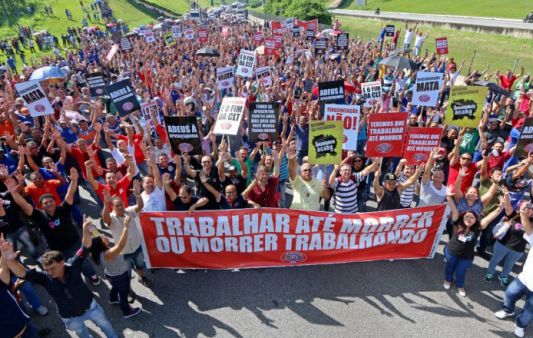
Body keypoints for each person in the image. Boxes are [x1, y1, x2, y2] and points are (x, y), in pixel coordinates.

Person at [0, 219, 118, 338]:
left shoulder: (73, 265)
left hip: (91, 308)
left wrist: (85, 230)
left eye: (52, 268)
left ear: (62, 262)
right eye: (46, 269)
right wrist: (10, 260)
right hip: (70, 317)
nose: (49, 272)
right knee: (83, 335)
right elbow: (23, 273)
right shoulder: (44, 277)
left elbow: (85, 246)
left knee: (107, 327)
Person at [5, 169, 101, 285]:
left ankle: (92, 275)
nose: (49, 203)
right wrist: (13, 193)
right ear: (41, 205)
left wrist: (74, 180)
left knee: (83, 262)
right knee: (63, 268)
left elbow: (70, 194)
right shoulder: (39, 215)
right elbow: (24, 205)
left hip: (73, 243)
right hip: (56, 249)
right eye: (45, 203)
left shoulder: (63, 209)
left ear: (55, 202)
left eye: (50, 201)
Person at [88, 215, 142, 318]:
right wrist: (126, 227)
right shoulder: (108, 253)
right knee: (123, 294)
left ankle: (112, 299)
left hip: (111, 274)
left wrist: (89, 226)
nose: (104, 236)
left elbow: (96, 233)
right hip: (120, 276)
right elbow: (121, 245)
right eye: (103, 237)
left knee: (115, 287)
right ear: (101, 243)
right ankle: (127, 312)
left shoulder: (97, 250)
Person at [101, 182, 152, 287]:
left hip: (137, 247)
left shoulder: (129, 211)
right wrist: (106, 204)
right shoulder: (111, 217)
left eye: (121, 204)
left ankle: (142, 277)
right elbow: (105, 218)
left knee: (140, 265)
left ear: (124, 204)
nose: (120, 207)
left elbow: (140, 206)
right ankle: (128, 290)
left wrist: (138, 195)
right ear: (113, 208)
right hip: (123, 252)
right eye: (117, 205)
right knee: (126, 273)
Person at [444, 190, 493, 297]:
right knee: (449, 268)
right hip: (452, 252)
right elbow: (453, 208)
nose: (469, 219)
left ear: (476, 220)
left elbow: (489, 218)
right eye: (467, 217)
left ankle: (460, 285)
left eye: (472, 217)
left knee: (461, 272)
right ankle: (448, 280)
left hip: (467, 257)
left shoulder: (478, 227)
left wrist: (501, 207)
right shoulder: (457, 221)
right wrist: (448, 196)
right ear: (463, 217)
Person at [495, 202, 533, 338]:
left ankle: (520, 325)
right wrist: (523, 213)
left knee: (529, 312)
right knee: (510, 295)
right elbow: (529, 231)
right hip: (523, 279)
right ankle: (508, 310)